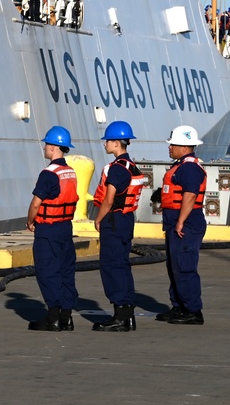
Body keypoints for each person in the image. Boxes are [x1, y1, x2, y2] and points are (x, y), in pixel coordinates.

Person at [92, 120, 144, 332]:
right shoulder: (132, 166)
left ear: (116, 143)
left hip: (113, 221)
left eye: (107, 141)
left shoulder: (116, 169)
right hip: (126, 220)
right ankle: (127, 315)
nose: (105, 145)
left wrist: (97, 218)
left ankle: (120, 317)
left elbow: (109, 199)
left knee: (111, 266)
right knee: (122, 266)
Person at [26, 125, 79, 331]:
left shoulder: (49, 173)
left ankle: (53, 317)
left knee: (48, 271)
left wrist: (30, 221)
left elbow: (36, 203)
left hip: (48, 229)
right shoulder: (70, 172)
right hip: (65, 227)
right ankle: (67, 317)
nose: (45, 147)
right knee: (66, 271)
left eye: (47, 144)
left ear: (55, 147)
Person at [157, 125, 207, 325]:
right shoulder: (182, 165)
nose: (169, 148)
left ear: (184, 147)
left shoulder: (189, 168)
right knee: (175, 266)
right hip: (176, 222)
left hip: (186, 223)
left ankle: (193, 311)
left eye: (173, 145)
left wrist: (180, 222)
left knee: (184, 266)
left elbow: (190, 195)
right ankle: (179, 306)